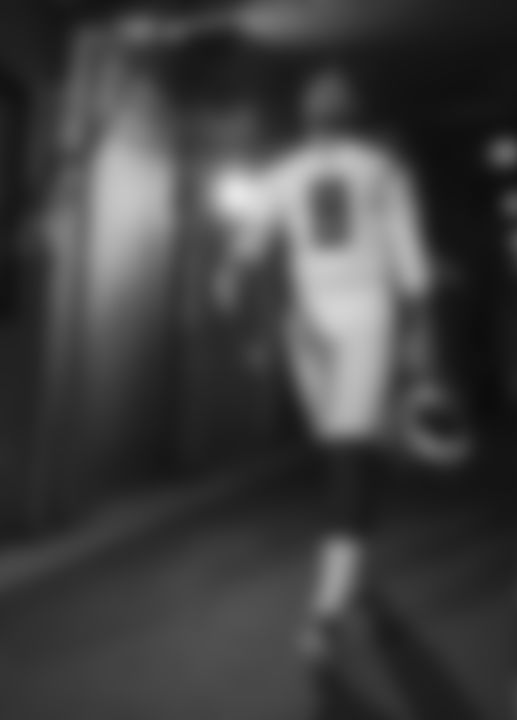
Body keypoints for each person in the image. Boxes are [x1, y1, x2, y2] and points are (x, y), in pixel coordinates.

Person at [213, 66, 436, 663]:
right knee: (344, 453)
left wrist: (420, 332)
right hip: (309, 325)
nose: (325, 103)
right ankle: (356, 571)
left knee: (347, 454)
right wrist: (232, 269)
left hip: (367, 313)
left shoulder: (382, 167)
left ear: (352, 109)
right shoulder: (284, 172)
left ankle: (327, 610)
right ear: (303, 111)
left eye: (336, 96)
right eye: (317, 95)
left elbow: (408, 249)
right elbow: (254, 234)